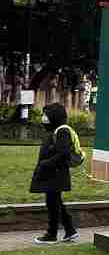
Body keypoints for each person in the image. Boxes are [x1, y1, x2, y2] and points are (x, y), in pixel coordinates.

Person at [30, 102, 78, 245]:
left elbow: (63, 152)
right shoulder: (54, 131)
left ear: (54, 116)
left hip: (55, 173)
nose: (44, 117)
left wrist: (46, 164)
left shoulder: (62, 131)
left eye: (47, 115)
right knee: (56, 202)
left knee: (52, 203)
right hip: (53, 173)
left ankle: (52, 234)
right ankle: (70, 230)